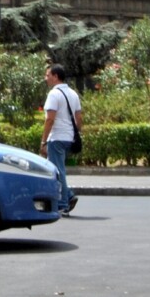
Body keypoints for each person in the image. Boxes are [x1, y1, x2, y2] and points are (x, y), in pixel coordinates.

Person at [41, 63, 82, 216]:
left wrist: (43, 141)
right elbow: (79, 118)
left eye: (48, 75)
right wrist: (74, 133)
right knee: (58, 169)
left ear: (56, 76)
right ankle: (69, 195)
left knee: (58, 171)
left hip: (57, 137)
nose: (46, 78)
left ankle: (64, 203)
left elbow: (49, 119)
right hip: (69, 137)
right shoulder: (73, 93)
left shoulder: (54, 94)